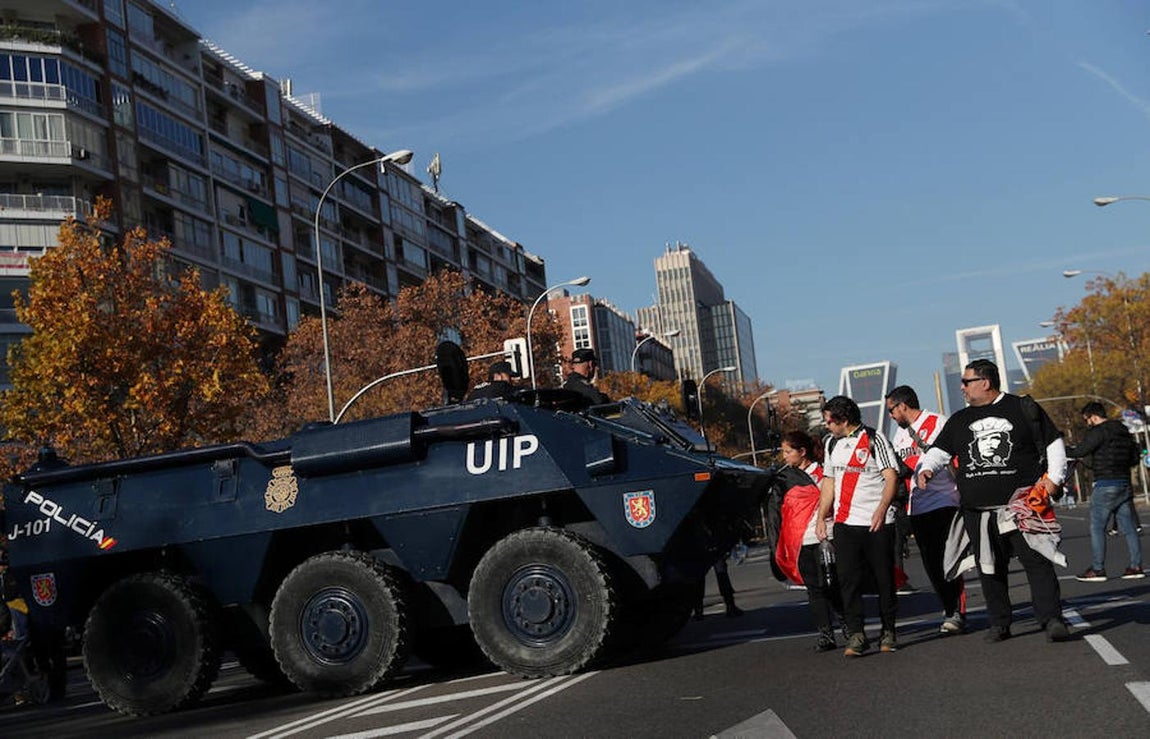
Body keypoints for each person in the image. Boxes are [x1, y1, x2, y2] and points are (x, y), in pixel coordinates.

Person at [917, 359, 1071, 643]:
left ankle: (1052, 619)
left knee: (1037, 561)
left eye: (966, 382)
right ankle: (1000, 623)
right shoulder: (960, 420)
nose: (962, 387)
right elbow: (939, 450)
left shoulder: (1022, 408)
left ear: (984, 382)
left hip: (1023, 505)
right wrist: (926, 468)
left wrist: (1055, 479)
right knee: (989, 566)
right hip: (978, 510)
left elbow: (1053, 442)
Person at [815, 395, 900, 657]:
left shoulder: (875, 439)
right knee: (848, 581)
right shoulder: (830, 443)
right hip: (845, 523)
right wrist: (821, 516)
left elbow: (891, 476)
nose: (827, 425)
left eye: (830, 420)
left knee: (884, 579)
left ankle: (888, 630)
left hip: (876, 522)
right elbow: (829, 481)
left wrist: (882, 509)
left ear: (844, 420)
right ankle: (857, 634)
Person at [885, 385, 967, 635]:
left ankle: (957, 612)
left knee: (950, 559)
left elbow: (956, 457)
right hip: (916, 506)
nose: (890, 415)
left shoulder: (939, 422)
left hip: (945, 500)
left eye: (891, 410)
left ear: (903, 406)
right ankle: (948, 607)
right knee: (931, 563)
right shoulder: (899, 436)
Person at [773, 430, 844, 651]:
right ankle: (826, 634)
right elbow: (778, 511)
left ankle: (849, 627)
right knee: (813, 589)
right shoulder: (784, 479)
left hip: (827, 536)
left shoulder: (824, 473)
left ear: (802, 452)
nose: (784, 456)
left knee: (833, 585)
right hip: (801, 540)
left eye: (788, 451)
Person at [1067, 401, 1144, 582]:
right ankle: (1136, 565)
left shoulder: (1098, 432)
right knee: (1129, 528)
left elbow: (1082, 450)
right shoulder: (1124, 432)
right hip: (1124, 483)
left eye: (1087, 420)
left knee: (1097, 527)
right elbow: (1134, 457)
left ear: (1094, 416)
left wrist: (1067, 450)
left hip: (1105, 484)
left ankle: (1098, 568)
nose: (1087, 423)